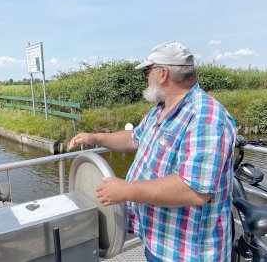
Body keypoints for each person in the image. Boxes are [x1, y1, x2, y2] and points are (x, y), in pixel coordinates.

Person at [68, 41, 236, 261]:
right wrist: (96, 138)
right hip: (157, 240)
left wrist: (126, 190)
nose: (146, 77)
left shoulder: (205, 117)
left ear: (162, 73)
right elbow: (135, 138)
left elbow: (194, 190)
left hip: (187, 252)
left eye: (148, 71)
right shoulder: (161, 110)